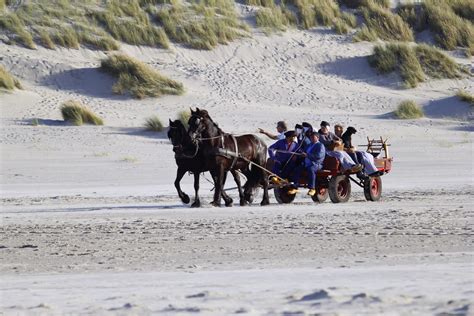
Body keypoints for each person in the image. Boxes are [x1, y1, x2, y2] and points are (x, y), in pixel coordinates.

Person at [290, 132, 326, 196]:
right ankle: (295, 187)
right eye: (311, 137)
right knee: (297, 169)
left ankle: (312, 188)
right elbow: (304, 151)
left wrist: (307, 155)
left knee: (311, 169)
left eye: (313, 137)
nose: (311, 138)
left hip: (316, 164)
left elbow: (319, 156)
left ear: (317, 138)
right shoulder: (309, 145)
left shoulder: (320, 145)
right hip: (306, 163)